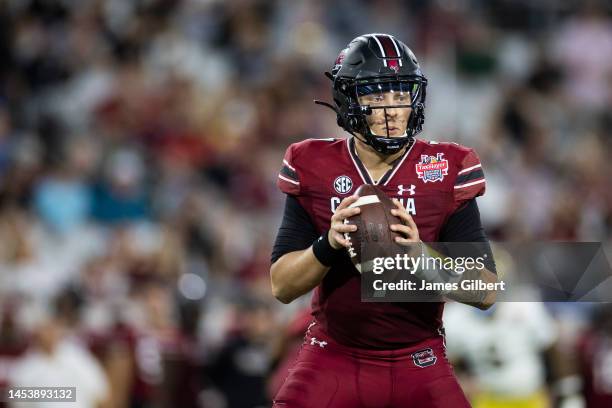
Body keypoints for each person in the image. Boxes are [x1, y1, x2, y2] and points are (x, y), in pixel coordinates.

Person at [270, 33, 497, 407]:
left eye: (400, 93)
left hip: (419, 358)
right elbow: (282, 287)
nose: (391, 108)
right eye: (376, 95)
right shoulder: (311, 163)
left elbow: (486, 290)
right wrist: (329, 242)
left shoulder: (445, 167)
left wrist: (418, 255)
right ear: (348, 99)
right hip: (333, 356)